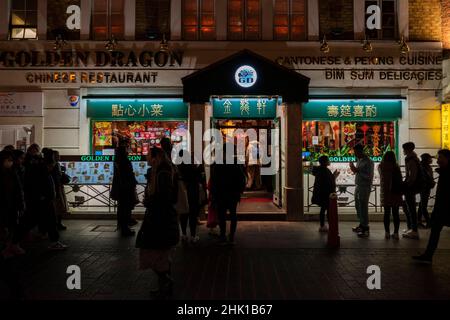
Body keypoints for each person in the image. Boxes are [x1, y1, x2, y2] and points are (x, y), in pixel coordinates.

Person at [136, 147, 179, 299]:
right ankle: (164, 286)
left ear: (155, 157)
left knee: (155, 253)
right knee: (161, 255)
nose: (146, 157)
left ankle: (166, 283)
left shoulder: (162, 173)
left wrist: (149, 201)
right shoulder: (162, 171)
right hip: (161, 218)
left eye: (148, 155)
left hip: (160, 219)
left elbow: (164, 198)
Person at [412, 149, 450, 263]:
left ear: (447, 158)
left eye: (440, 158)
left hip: (446, 208)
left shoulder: (447, 173)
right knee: (434, 232)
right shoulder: (443, 172)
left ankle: (428, 255)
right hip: (441, 208)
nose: (437, 160)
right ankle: (428, 255)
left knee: (435, 232)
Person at [210, 143, 246, 245]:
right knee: (233, 214)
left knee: (222, 215)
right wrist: (239, 190)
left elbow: (214, 179)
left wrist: (213, 193)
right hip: (232, 194)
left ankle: (223, 235)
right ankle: (231, 237)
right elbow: (241, 179)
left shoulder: (218, 163)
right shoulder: (236, 163)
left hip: (221, 193)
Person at [0, 150, 26, 258]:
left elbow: (18, 189)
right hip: (4, 205)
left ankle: (9, 247)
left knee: (12, 226)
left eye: (11, 160)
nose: (10, 162)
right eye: (8, 160)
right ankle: (5, 248)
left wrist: (20, 203)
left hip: (12, 204)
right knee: (4, 227)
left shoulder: (12, 172)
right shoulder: (7, 173)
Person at [177, 150, 204, 244]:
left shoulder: (178, 168)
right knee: (192, 214)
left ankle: (184, 234)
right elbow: (199, 178)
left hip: (182, 193)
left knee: (183, 214)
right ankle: (193, 235)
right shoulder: (192, 167)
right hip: (193, 192)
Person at [111, 146, 137, 237]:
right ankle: (125, 228)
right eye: (126, 149)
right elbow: (128, 174)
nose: (128, 151)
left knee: (122, 207)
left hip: (120, 188)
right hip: (126, 188)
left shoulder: (117, 161)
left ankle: (122, 226)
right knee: (126, 207)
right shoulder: (125, 161)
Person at [349, 144, 374, 238]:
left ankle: (365, 228)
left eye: (356, 152)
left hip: (365, 186)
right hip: (358, 185)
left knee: (363, 206)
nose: (355, 154)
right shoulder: (359, 160)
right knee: (358, 205)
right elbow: (357, 171)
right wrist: (354, 169)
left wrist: (356, 170)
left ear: (361, 151)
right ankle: (361, 224)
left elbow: (369, 177)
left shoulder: (369, 162)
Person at [378, 151, 403, 240]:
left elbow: (381, 177)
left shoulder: (381, 166)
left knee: (386, 213)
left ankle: (387, 233)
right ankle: (396, 233)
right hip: (395, 193)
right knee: (396, 214)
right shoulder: (396, 167)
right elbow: (400, 179)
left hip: (386, 193)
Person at [311, 155, 339, 232]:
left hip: (322, 193)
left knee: (324, 209)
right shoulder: (324, 171)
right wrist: (334, 176)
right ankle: (325, 225)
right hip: (325, 194)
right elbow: (327, 182)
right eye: (328, 160)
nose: (329, 161)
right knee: (326, 210)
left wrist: (333, 176)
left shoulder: (321, 170)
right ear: (325, 162)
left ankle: (324, 225)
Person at [402, 142, 423, 239]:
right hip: (411, 187)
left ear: (408, 149)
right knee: (409, 207)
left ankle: (414, 230)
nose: (403, 151)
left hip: (411, 188)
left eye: (404, 149)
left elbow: (412, 176)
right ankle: (411, 228)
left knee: (411, 208)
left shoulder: (411, 160)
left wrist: (407, 185)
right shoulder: (413, 158)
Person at [418, 153, 436, 229]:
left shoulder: (423, 166)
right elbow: (427, 178)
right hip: (425, 188)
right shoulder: (424, 167)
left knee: (421, 204)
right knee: (423, 205)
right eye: (430, 158)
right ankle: (429, 222)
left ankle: (418, 221)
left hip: (424, 187)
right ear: (426, 159)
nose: (431, 160)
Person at [52, 150, 68, 231]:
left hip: (58, 187)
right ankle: (57, 223)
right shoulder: (54, 165)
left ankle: (58, 222)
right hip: (56, 188)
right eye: (57, 155)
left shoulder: (57, 165)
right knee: (57, 206)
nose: (59, 156)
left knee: (60, 206)